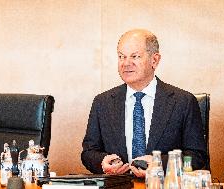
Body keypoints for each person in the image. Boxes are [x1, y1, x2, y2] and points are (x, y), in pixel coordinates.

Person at [81, 29, 207, 177]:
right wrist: (102, 162)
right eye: (121, 56)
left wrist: (159, 163)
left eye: (135, 56)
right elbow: (89, 152)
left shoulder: (183, 101)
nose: (126, 63)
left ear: (154, 60)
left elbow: (197, 156)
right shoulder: (102, 102)